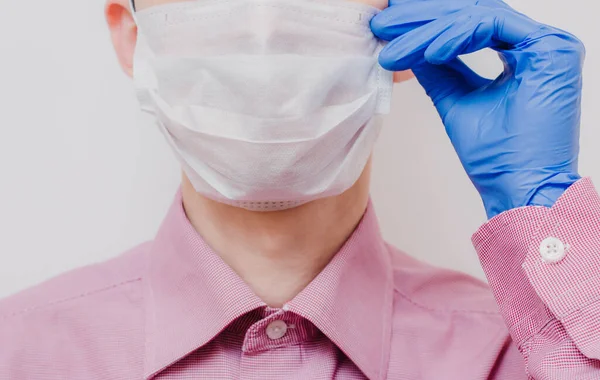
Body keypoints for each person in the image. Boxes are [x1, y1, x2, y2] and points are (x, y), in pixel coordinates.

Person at [0, 0, 594, 378]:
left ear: (408, 28)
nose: (265, 25)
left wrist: (538, 203)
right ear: (132, 39)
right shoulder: (18, 351)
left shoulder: (525, 352)